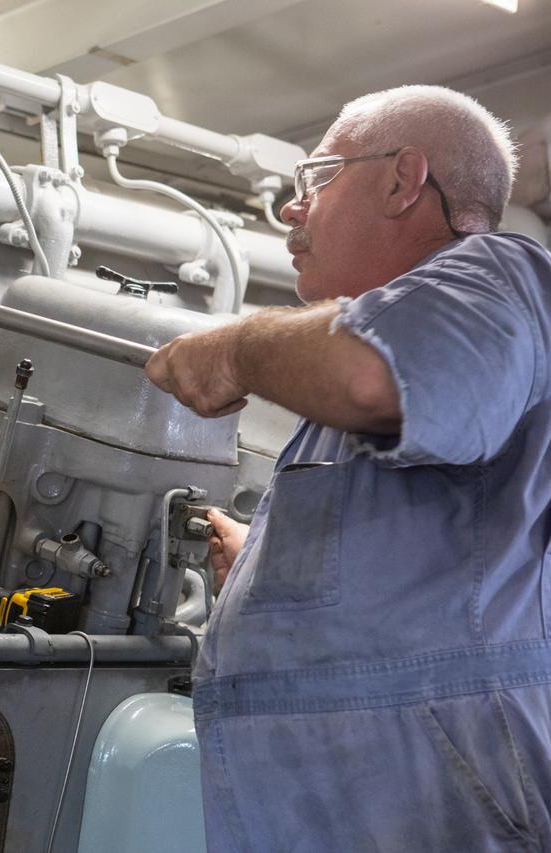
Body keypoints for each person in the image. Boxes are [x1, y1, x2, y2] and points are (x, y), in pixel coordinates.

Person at [145, 84, 551, 852]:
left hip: (438, 808)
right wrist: (258, 572)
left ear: (403, 180)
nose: (291, 211)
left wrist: (235, 348)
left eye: (318, 177)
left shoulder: (498, 275)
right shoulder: (347, 388)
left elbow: (373, 381)